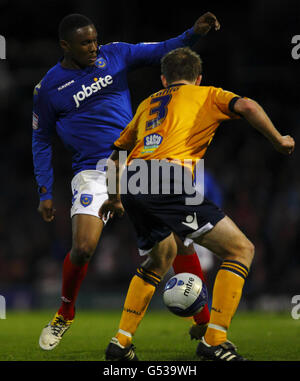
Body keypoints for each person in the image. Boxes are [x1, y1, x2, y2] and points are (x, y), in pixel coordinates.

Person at [33, 12, 221, 350]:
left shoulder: (115, 53)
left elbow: (164, 48)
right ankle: (65, 313)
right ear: (65, 45)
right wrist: (45, 189)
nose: (93, 47)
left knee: (181, 240)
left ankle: (205, 323)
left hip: (140, 160)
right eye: (85, 43)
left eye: (94, 39)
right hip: (92, 169)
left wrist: (194, 32)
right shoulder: (48, 88)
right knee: (84, 247)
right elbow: (41, 139)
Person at [99, 47, 295, 361]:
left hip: (134, 180)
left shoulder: (149, 102)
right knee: (241, 249)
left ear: (164, 79)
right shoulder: (207, 94)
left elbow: (116, 155)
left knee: (159, 260)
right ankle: (214, 341)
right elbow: (245, 104)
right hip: (167, 178)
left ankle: (120, 344)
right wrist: (278, 140)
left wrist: (113, 197)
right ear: (198, 77)